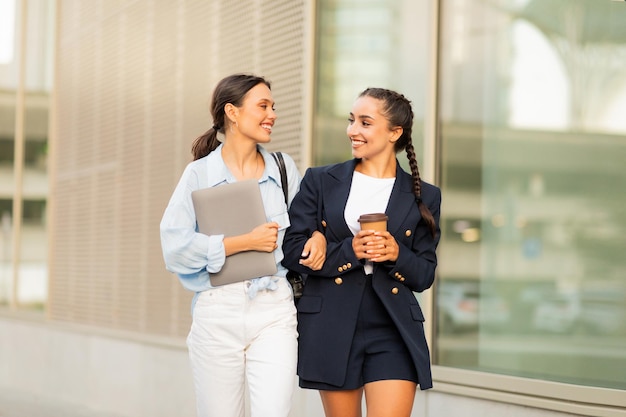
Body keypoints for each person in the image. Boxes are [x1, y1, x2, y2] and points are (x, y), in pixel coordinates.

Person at [282, 87, 441, 417]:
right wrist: (349, 251)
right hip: (332, 322)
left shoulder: (425, 195)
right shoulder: (319, 181)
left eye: (365, 123)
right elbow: (292, 250)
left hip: (393, 325)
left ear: (395, 132)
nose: (352, 130)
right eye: (352, 120)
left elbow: (425, 274)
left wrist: (396, 253)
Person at [160, 73, 301, 417]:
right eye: (263, 106)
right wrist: (242, 242)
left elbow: (299, 237)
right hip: (216, 311)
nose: (273, 114)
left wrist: (313, 240)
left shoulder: (284, 170)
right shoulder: (199, 174)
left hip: (274, 310)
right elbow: (174, 247)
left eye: (273, 106)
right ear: (233, 113)